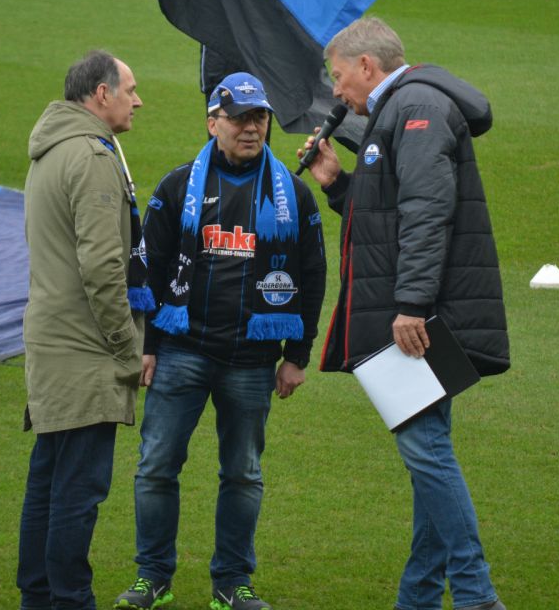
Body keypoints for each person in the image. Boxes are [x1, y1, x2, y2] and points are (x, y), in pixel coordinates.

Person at [299, 17, 510, 610]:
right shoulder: (402, 110)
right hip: (423, 308)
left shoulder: (415, 106)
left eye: (340, 78)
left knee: (425, 452)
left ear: (368, 66)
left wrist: (411, 305)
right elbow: (388, 218)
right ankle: (417, 599)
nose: (337, 93)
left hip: (422, 316)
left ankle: (475, 596)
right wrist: (337, 184)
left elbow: (425, 211)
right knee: (428, 456)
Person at [114, 74, 327, 610]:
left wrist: (296, 357)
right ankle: (153, 577)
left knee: (244, 473)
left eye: (259, 118)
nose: (251, 128)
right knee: (157, 466)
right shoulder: (178, 186)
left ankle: (233, 583)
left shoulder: (293, 194)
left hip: (253, 362)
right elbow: (147, 269)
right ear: (213, 123)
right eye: (239, 119)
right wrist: (148, 346)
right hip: (182, 351)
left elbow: (314, 275)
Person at [18, 51, 149, 610]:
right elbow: (102, 269)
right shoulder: (92, 158)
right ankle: (70, 600)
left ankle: (38, 597)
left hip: (51, 340)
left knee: (48, 482)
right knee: (77, 490)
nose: (138, 100)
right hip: (85, 348)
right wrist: (127, 347)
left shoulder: (51, 148)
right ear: (101, 94)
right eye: (130, 90)